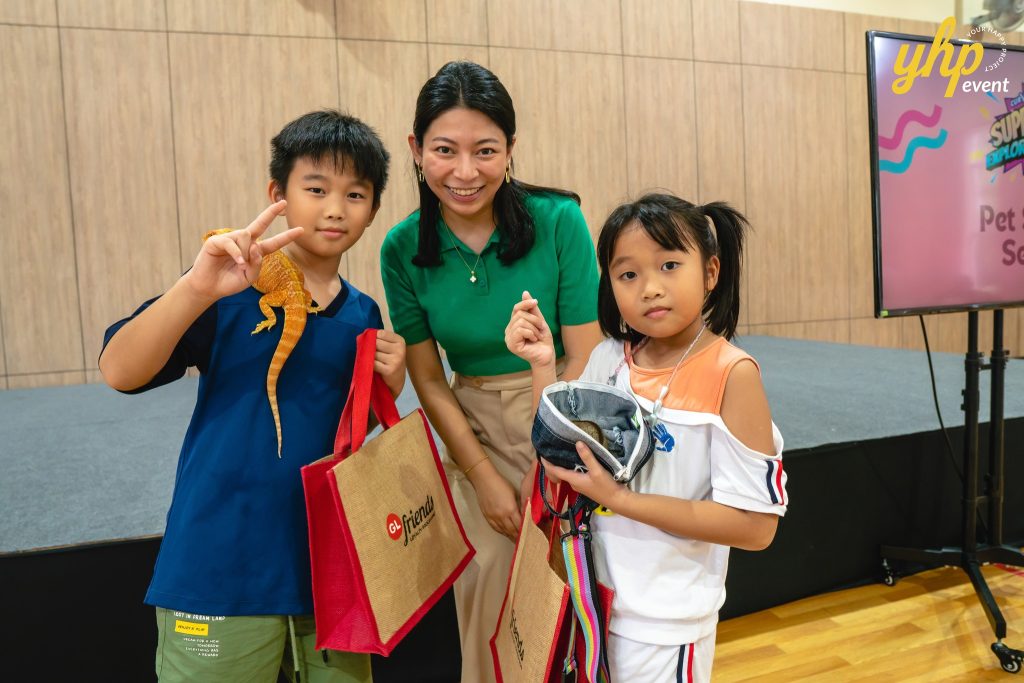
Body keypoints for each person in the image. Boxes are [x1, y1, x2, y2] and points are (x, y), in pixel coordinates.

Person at [99, 110, 405, 683]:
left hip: (330, 580)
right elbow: (119, 369)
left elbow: (345, 440)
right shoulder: (229, 287)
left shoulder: (364, 312)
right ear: (279, 194)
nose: (335, 208)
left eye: (355, 194)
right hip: (220, 567)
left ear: (373, 209)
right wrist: (195, 286)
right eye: (316, 189)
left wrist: (390, 384)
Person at [379, 61, 602, 682]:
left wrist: (552, 451)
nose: (465, 172)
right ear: (416, 150)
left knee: (571, 594)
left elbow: (585, 350)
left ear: (511, 149)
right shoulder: (402, 248)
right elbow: (427, 377)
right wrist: (481, 477)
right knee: (488, 605)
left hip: (561, 416)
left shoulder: (560, 221)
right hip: (470, 429)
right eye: (445, 151)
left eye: (486, 150)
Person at [506, 193, 788, 683]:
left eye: (669, 265)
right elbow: (559, 455)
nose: (650, 288)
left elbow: (755, 528)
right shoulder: (608, 357)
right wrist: (542, 367)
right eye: (628, 274)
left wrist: (618, 499)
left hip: (666, 622)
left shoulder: (731, 373)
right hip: (592, 599)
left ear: (711, 273)